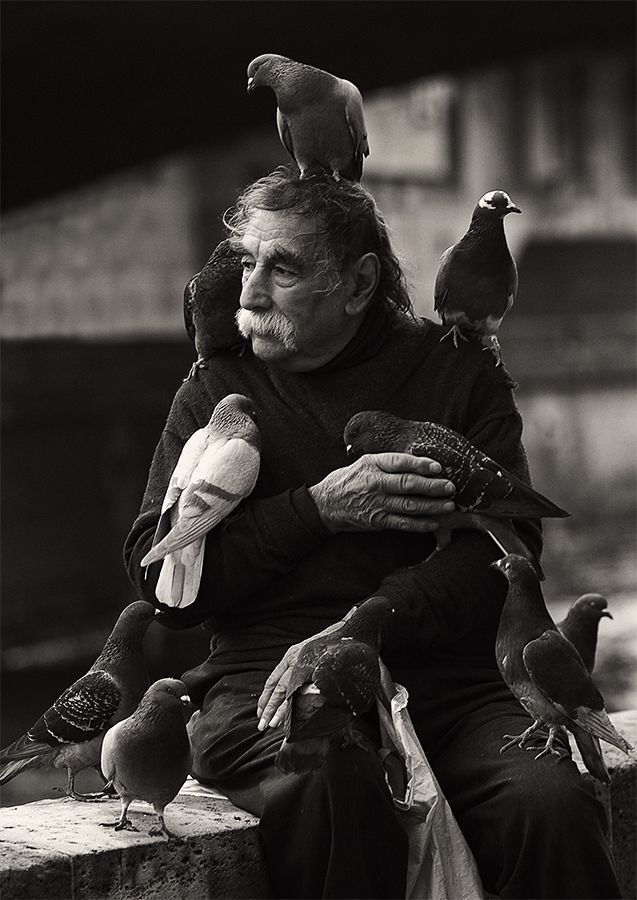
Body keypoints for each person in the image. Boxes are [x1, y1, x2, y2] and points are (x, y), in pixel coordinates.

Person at [125, 167, 620, 900]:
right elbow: (162, 587)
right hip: (269, 684)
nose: (249, 291)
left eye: (282, 269)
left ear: (357, 285)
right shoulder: (214, 392)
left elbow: (506, 555)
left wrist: (367, 622)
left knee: (546, 807)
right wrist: (316, 508)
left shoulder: (458, 374)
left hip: (450, 680)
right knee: (329, 794)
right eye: (247, 263)